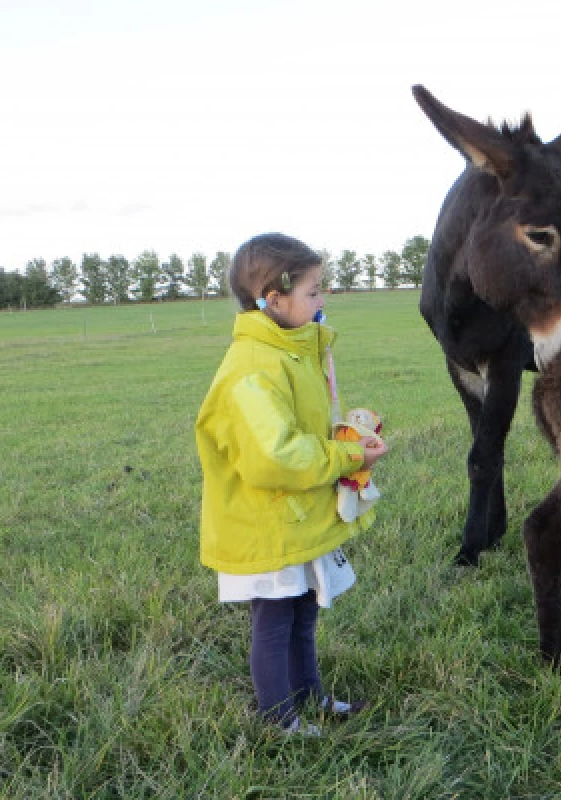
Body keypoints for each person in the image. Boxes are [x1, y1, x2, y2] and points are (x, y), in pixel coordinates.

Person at [195, 232, 387, 735]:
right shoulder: (253, 367)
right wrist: (347, 455)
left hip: (294, 514)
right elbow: (274, 456)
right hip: (268, 520)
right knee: (275, 620)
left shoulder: (293, 351)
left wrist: (352, 436)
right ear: (274, 300)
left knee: (303, 610)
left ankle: (312, 699)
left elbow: (303, 430)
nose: (322, 300)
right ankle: (279, 720)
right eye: (313, 290)